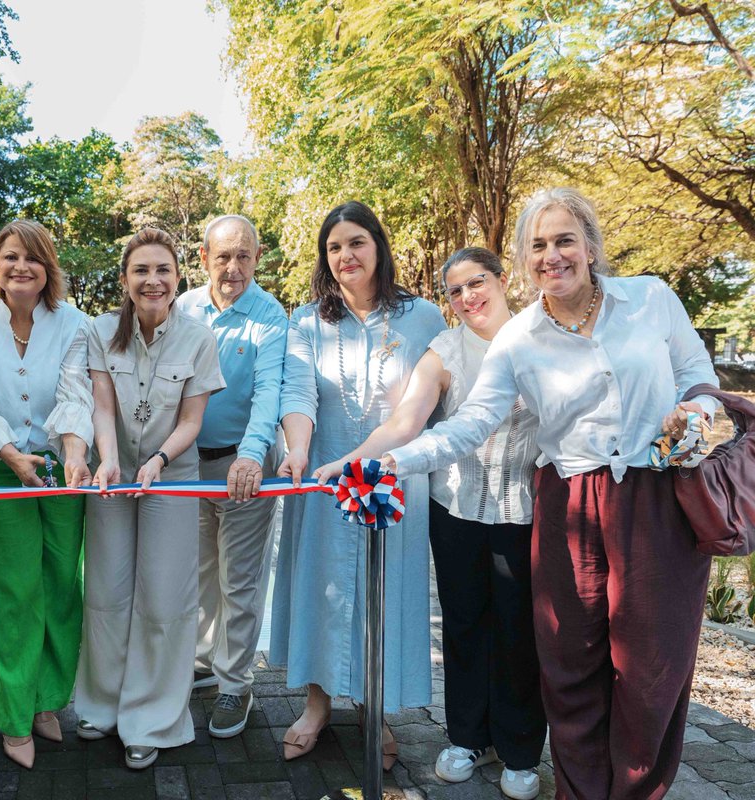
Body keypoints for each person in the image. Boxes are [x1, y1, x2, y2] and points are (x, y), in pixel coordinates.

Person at [381, 188, 719, 800]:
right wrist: (392, 463)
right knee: (570, 667)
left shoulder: (651, 299)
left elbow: (699, 374)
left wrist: (695, 412)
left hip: (654, 497)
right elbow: (470, 423)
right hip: (569, 504)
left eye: (565, 239)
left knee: (650, 671)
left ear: (590, 245)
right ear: (522, 259)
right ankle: (581, 790)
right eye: (537, 245)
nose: (552, 255)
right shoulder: (519, 340)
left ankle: (638, 789)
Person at [317, 247, 545, 800]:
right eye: (456, 290)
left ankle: (518, 752)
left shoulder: (543, 337)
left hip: (527, 512)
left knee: (519, 632)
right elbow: (406, 419)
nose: (469, 297)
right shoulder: (446, 349)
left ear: (501, 279)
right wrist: (354, 461)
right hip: (457, 509)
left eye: (478, 282)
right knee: (465, 623)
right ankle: (466, 739)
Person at [273, 201, 446, 768]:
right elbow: (297, 394)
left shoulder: (423, 318)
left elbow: (431, 406)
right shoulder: (306, 321)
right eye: (334, 247)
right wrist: (298, 449)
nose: (346, 255)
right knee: (321, 586)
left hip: (394, 480)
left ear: (378, 246)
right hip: (323, 476)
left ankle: (377, 711)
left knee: (385, 589)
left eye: (356, 243)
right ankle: (317, 706)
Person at [0, 219, 93, 769]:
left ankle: (47, 700)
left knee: (60, 582)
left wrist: (74, 453)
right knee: (14, 590)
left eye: (32, 258)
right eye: (10, 257)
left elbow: (77, 393)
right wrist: (10, 456)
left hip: (60, 468)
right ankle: (11, 714)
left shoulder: (75, 324)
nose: (21, 267)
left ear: (48, 266)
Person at [74, 228, 226, 770]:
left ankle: (153, 719)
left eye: (162, 269)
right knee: (107, 593)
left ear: (178, 277)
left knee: (165, 599)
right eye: (141, 270)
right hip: (111, 477)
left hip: (173, 477)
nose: (152, 280)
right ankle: (101, 705)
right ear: (124, 280)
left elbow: (192, 419)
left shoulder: (199, 338)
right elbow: (100, 404)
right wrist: (108, 459)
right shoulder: (98, 331)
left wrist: (158, 461)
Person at [179, 215, 287, 738]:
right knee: (200, 571)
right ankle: (204, 662)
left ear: (257, 257)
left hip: (245, 466)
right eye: (223, 256)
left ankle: (235, 683)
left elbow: (269, 392)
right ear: (203, 259)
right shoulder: (182, 308)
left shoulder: (269, 315)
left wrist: (250, 454)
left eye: (244, 255)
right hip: (187, 465)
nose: (234, 267)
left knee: (240, 579)